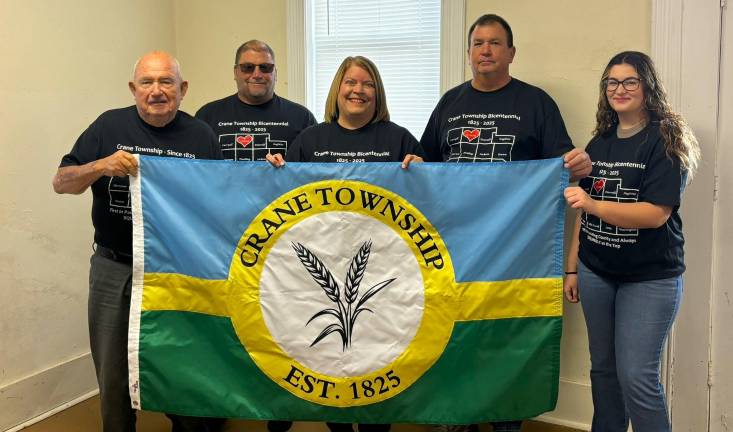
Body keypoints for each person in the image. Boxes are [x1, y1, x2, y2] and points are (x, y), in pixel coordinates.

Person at [420, 13, 591, 432]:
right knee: (457, 334)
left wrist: (579, 163)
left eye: (495, 43)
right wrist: (412, 166)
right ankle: (456, 418)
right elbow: (426, 166)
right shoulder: (450, 103)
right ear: (468, 53)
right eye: (478, 42)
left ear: (511, 52)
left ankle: (507, 422)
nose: (486, 50)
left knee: (507, 337)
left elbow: (564, 165)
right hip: (455, 248)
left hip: (515, 249)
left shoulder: (536, 103)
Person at [52, 51, 223, 432]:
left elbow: (221, 201)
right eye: (147, 82)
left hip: (177, 269)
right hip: (116, 268)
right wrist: (100, 166)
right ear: (133, 88)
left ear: (183, 89)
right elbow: (61, 182)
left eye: (167, 82)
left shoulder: (201, 136)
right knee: (113, 373)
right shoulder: (107, 126)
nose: (157, 91)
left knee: (183, 365)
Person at [268, 56, 423, 432]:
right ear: (338, 89)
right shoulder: (310, 140)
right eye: (350, 82)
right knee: (331, 360)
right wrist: (272, 170)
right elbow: (285, 204)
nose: (358, 90)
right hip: (321, 270)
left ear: (377, 92)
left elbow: (427, 205)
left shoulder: (398, 138)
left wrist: (423, 169)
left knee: (376, 360)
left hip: (381, 275)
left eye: (367, 83)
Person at [563, 51, 700, 432]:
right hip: (596, 272)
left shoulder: (665, 140)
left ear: (647, 87)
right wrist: (573, 266)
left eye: (629, 82)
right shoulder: (600, 142)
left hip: (649, 277)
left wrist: (592, 202)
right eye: (611, 82)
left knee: (637, 378)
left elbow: (656, 213)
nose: (618, 89)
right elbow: (583, 212)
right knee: (603, 373)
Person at [196, 40, 316, 161]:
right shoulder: (208, 116)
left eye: (265, 67)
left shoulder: (303, 118)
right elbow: (195, 170)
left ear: (275, 73)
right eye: (248, 67)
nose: (257, 74)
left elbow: (315, 172)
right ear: (235, 72)